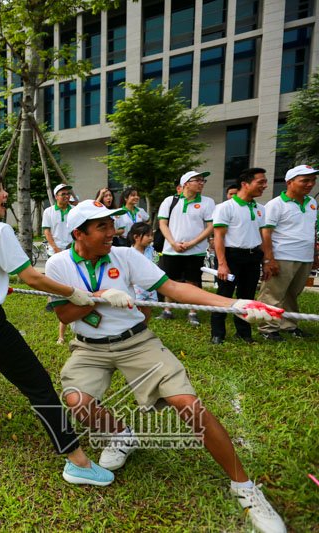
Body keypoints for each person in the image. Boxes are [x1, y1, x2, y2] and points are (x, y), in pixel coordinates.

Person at [46, 199, 286, 533]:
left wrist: (234, 304)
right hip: (89, 348)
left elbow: (174, 287)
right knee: (77, 402)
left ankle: (245, 488)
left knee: (187, 404)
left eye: (111, 225)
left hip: (137, 341)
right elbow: (64, 314)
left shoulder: (126, 255)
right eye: (102, 227)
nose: (111, 233)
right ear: (78, 234)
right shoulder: (57, 264)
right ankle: (122, 436)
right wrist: (100, 296)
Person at [0, 171, 114, 487]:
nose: (5, 194)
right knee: (38, 385)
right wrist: (73, 293)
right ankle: (77, 462)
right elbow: (31, 277)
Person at [257, 165, 319, 341]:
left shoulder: (311, 203)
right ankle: (267, 329)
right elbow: (266, 232)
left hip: (304, 257)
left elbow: (311, 230)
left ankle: (289, 325)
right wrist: (269, 259)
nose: (310, 184)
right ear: (290, 182)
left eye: (313, 180)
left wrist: (314, 255)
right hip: (282, 256)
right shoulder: (275, 204)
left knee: (293, 294)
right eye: (305, 180)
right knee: (272, 294)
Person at [210, 168, 268, 345]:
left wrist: (265, 261)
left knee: (247, 296)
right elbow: (219, 236)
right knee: (223, 295)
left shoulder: (260, 209)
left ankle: (244, 333)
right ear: (245, 184)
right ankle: (217, 333)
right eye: (260, 182)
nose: (264, 186)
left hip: (253, 257)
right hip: (231, 256)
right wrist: (222, 264)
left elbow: (263, 236)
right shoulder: (225, 208)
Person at [157, 170, 215, 325]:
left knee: (193, 281)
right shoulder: (170, 201)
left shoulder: (207, 202)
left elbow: (210, 226)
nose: (201, 183)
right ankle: (167, 310)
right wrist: (173, 243)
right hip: (171, 250)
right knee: (169, 280)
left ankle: (192, 312)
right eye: (198, 180)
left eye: (203, 181)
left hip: (195, 251)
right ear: (186, 184)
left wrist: (192, 243)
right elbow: (163, 223)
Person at [41, 184, 75, 342]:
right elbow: (47, 231)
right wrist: (55, 248)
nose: (66, 196)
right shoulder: (48, 211)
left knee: (72, 277)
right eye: (63, 194)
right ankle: (52, 299)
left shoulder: (73, 210)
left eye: (68, 193)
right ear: (56, 196)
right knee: (53, 278)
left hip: (71, 249)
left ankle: (68, 296)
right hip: (54, 250)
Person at [127, 222, 157, 323]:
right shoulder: (129, 253)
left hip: (150, 287)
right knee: (135, 310)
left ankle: (144, 327)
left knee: (147, 309)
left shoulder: (151, 250)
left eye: (152, 235)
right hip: (136, 288)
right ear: (136, 237)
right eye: (148, 235)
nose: (151, 238)